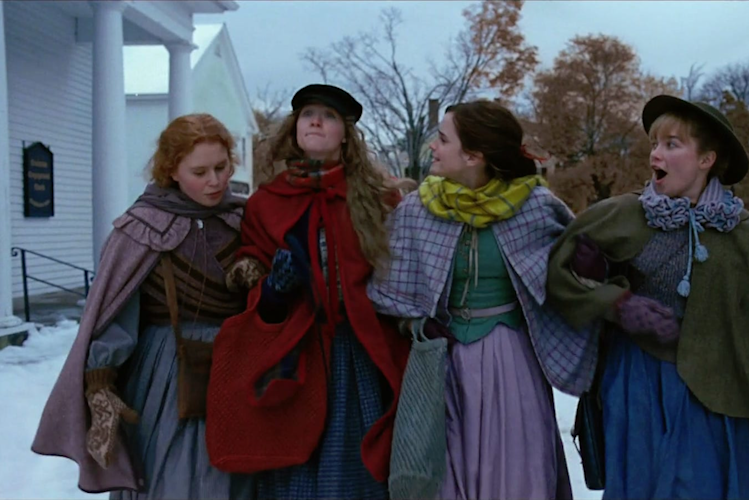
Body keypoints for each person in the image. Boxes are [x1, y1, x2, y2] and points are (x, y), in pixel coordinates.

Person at [547, 95, 749, 499]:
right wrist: (617, 303)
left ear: (706, 159)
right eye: (654, 144)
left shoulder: (743, 234)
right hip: (639, 385)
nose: (655, 154)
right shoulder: (622, 215)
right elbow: (560, 274)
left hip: (718, 392)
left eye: (671, 144)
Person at [368, 100, 598, 500]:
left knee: (517, 473)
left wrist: (589, 267)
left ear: (473, 156)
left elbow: (571, 279)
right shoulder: (417, 209)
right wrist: (416, 324)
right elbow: (390, 287)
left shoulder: (535, 206)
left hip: (512, 361)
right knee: (445, 476)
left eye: (443, 139)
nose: (433, 147)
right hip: (443, 366)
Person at [206, 84, 410, 500]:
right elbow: (256, 300)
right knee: (294, 470)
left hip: (356, 353)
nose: (316, 121)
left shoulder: (378, 199)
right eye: (308, 114)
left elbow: (401, 273)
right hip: (294, 353)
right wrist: (275, 289)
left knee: (354, 472)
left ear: (346, 135)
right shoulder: (265, 202)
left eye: (329, 116)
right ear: (294, 129)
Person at [32, 113, 251, 499]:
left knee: (237, 475)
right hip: (166, 371)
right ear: (172, 170)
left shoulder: (246, 220)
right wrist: (101, 384)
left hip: (238, 364)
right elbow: (116, 313)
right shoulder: (142, 228)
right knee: (172, 473)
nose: (215, 181)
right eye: (200, 172)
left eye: (222, 167)